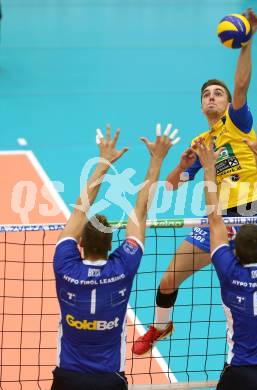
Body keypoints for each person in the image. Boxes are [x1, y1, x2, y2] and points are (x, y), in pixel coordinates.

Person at [132, 8, 257, 355]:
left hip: (248, 216)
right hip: (217, 218)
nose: (212, 97)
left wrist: (245, 44)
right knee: (168, 279)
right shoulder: (200, 142)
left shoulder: (238, 122)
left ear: (228, 102)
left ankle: (248, 351)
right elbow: (173, 184)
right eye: (207, 95)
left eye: (218, 93)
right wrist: (179, 165)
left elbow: (241, 83)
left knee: (240, 293)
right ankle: (160, 327)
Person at [51, 124, 179, 390]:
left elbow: (78, 211)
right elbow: (140, 212)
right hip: (109, 380)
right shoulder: (123, 266)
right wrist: (157, 160)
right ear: (112, 244)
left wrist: (104, 162)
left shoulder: (64, 264)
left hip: (68, 379)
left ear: (80, 243)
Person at [196, 123, 257, 390]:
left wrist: (209, 168)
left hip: (242, 373)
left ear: (234, 251)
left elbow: (215, 219)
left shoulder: (229, 271)